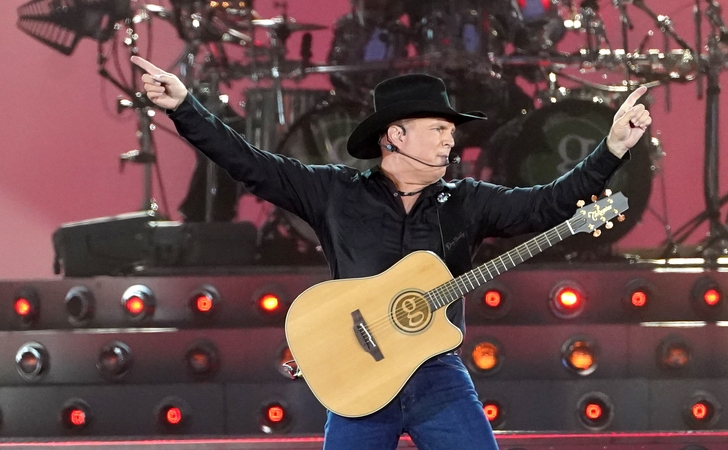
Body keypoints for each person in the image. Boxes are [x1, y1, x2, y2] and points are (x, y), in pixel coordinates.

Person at [131, 54, 650, 450]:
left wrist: (612, 151)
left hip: (437, 376)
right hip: (357, 377)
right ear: (395, 136)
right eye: (440, 130)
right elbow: (249, 164)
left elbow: (548, 205)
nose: (453, 142)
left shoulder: (467, 202)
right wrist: (185, 107)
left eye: (453, 131)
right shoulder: (334, 192)